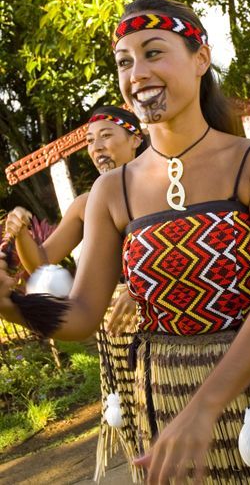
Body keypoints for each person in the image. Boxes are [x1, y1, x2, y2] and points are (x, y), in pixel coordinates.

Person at [0, 0, 250, 484]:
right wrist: (11, 305)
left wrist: (206, 406)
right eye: (125, 61)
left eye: (154, 52)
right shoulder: (111, 191)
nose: (137, 72)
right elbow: (81, 315)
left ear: (200, 59)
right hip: (164, 399)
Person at [4, 105, 148, 480]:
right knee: (140, 430)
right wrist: (20, 232)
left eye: (106, 136)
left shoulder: (163, 185)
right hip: (118, 331)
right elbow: (43, 263)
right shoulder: (88, 204)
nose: (97, 147)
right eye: (89, 141)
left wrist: (143, 286)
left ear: (136, 138)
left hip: (172, 325)